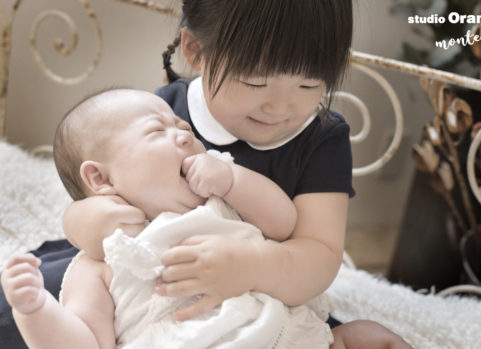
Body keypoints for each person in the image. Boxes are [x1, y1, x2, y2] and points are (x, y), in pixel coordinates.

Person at [0, 0, 411, 347]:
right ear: (195, 52)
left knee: (331, 335)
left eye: (309, 86)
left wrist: (248, 266)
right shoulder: (165, 115)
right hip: (145, 278)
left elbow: (317, 257)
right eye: (254, 82)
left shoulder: (322, 137)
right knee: (27, 300)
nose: (281, 107)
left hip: (266, 282)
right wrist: (89, 219)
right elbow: (95, 191)